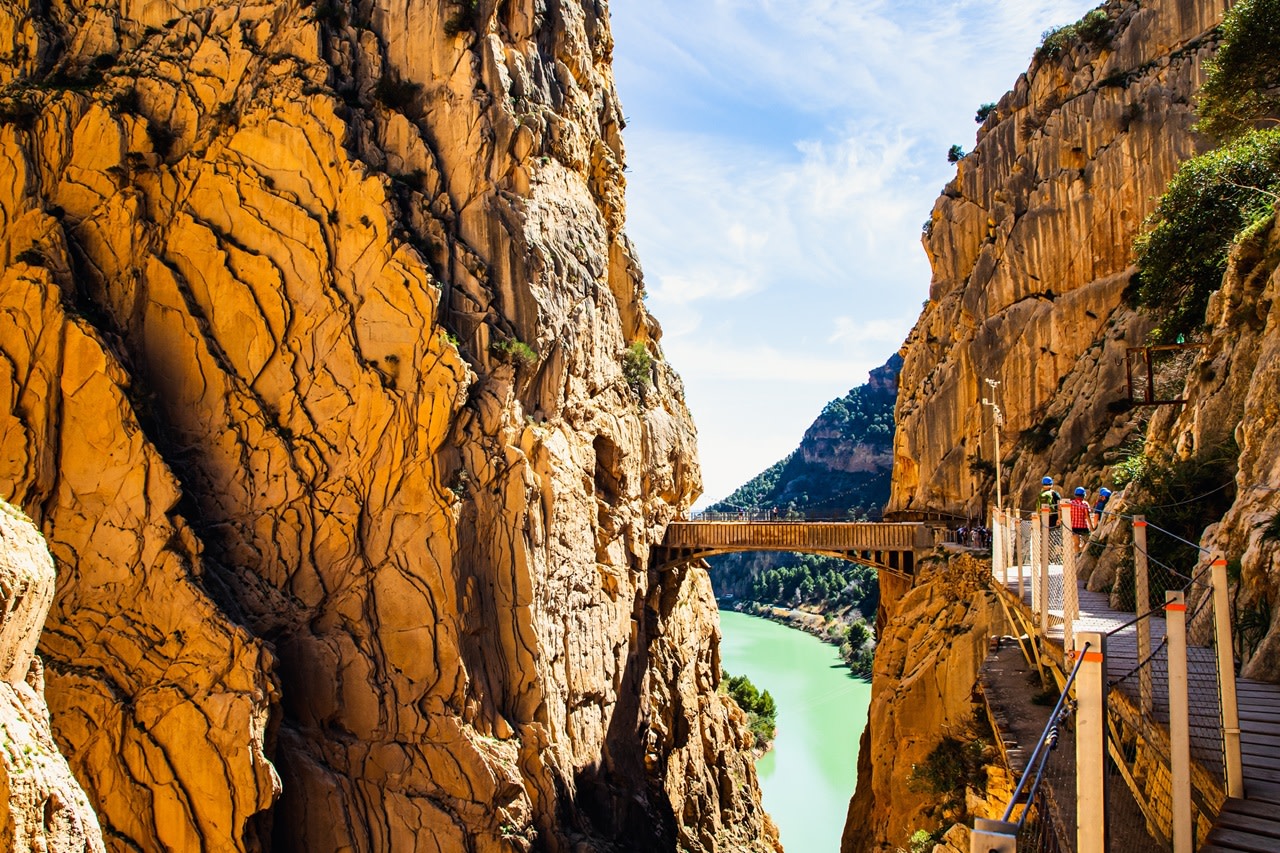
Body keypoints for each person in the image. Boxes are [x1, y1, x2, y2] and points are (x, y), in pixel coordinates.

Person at [1067, 487, 1094, 551]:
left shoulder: (1071, 503)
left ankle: (1076, 554)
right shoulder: (1085, 504)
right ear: (1083, 495)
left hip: (1074, 526)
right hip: (1083, 526)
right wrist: (1091, 527)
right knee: (1087, 542)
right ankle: (1082, 552)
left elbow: (1070, 515)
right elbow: (1087, 516)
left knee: (1076, 543)